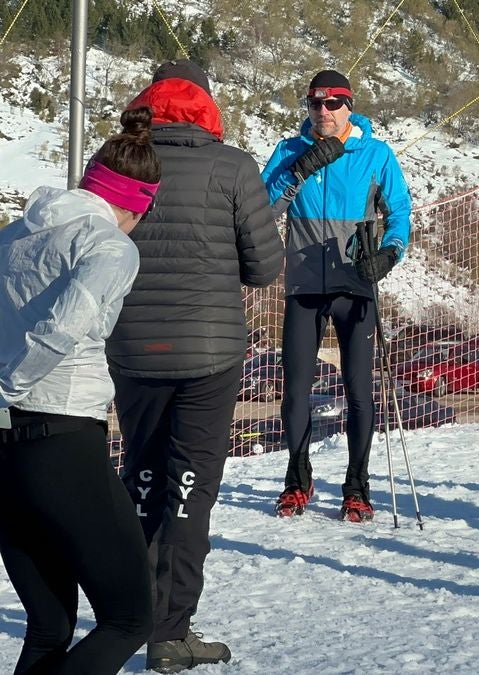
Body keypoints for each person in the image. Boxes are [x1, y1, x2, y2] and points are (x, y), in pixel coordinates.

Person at [108, 60, 284, 671]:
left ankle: (126, 618)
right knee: (189, 490)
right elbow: (264, 268)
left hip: (130, 347)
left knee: (142, 478)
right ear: (207, 105)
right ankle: (170, 631)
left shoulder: (118, 161)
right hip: (208, 353)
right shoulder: (232, 166)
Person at [0, 107, 159, 674]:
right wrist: (8, 385)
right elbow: (62, 329)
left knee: (50, 627)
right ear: (140, 203)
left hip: (6, 452)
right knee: (129, 617)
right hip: (61, 438)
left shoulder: (17, 232)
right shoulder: (111, 246)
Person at [262, 69, 413, 522]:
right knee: (294, 392)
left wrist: (389, 253)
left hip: (355, 286)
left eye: (332, 104)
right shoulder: (289, 151)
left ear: (349, 106)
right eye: (314, 104)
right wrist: (299, 171)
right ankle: (297, 479)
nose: (323, 112)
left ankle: (357, 487)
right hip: (305, 285)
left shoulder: (375, 153)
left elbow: (400, 213)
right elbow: (263, 208)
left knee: (360, 392)